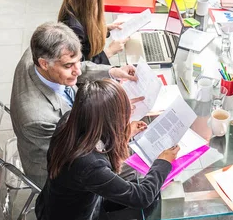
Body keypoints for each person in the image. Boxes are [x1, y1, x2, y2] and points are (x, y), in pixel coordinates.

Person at [35, 79, 179, 220]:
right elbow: (142, 196)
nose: (128, 115)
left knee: (141, 192)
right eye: (123, 113)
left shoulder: (70, 122)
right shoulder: (88, 165)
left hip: (59, 210)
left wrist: (123, 134)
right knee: (158, 210)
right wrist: (163, 162)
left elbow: (100, 151)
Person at [10, 22, 139, 187]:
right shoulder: (39, 117)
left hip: (71, 143)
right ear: (43, 64)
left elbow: (75, 66)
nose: (77, 71)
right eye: (68, 66)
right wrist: (120, 128)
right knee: (137, 170)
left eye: (77, 61)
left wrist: (111, 72)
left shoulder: (39, 51)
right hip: (57, 174)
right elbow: (77, 157)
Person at [59, 0, 127, 65]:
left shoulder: (77, 6)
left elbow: (86, 39)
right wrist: (109, 52)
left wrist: (105, 29)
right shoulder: (73, 28)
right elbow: (77, 68)